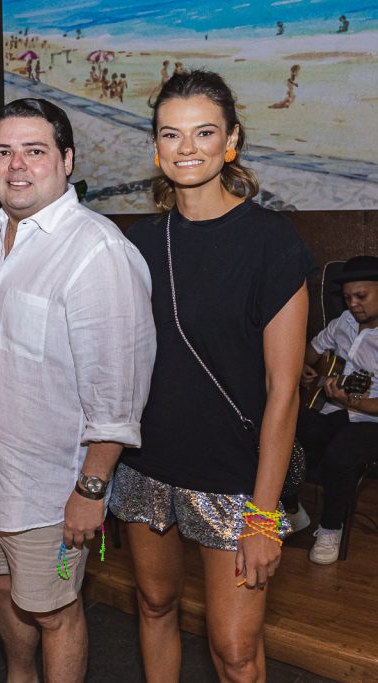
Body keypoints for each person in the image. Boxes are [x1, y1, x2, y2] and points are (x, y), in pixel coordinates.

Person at [108, 70, 315, 682]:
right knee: (153, 605)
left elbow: (284, 392)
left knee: (234, 652)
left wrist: (263, 516)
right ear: (156, 147)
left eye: (204, 132)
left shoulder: (272, 243)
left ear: (232, 141)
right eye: (172, 134)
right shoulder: (137, 245)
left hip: (234, 480)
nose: (188, 147)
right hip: (147, 467)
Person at [0, 98, 155, 683]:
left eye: (35, 151)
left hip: (51, 488)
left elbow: (118, 396)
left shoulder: (97, 251)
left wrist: (90, 490)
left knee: (54, 612)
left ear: (66, 161)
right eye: (3, 152)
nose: (16, 165)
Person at [283, 255, 378, 564]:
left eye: (361, 296)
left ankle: (330, 528)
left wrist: (350, 400)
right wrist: (302, 369)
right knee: (284, 429)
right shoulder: (343, 324)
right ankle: (292, 509)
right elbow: (308, 353)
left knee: (341, 453)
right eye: (348, 297)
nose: (353, 303)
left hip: (369, 419)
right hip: (333, 410)